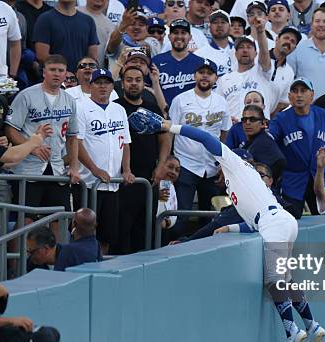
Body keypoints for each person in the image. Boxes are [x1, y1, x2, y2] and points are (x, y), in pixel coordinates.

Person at [128, 107, 325, 342]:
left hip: (274, 223)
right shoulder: (239, 186)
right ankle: (312, 326)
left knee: (273, 282)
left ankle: (292, 331)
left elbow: (204, 138)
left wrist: (169, 126)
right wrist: (229, 229)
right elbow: (252, 224)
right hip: (279, 222)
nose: (218, 165)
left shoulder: (236, 165)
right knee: (286, 280)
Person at [5, 54, 80, 217]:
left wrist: (74, 167)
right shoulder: (26, 95)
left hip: (57, 170)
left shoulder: (70, 100)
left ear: (66, 73)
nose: (56, 74)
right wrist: (32, 148)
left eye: (61, 70)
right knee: (25, 220)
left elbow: (73, 137)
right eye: (52, 70)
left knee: (59, 219)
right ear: (44, 72)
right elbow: (11, 129)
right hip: (28, 169)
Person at [114, 66, 172, 254]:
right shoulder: (115, 107)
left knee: (145, 229)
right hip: (122, 179)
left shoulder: (151, 107)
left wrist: (162, 165)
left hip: (149, 178)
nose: (133, 83)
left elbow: (164, 137)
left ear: (143, 83)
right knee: (121, 230)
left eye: (137, 79)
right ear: (122, 83)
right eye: (129, 80)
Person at [169, 58, 230, 236]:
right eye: (201, 72)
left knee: (211, 217)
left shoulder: (221, 101)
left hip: (212, 167)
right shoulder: (180, 100)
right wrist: (167, 159)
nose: (205, 76)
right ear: (195, 75)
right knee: (181, 215)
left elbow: (224, 133)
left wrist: (223, 163)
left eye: (209, 73)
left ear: (215, 78)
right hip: (186, 164)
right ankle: (174, 252)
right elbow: (170, 132)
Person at [75, 68, 133, 255]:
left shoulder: (119, 109)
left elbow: (125, 142)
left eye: (107, 82)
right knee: (83, 233)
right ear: (90, 85)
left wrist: (127, 169)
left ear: (112, 86)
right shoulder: (81, 108)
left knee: (107, 235)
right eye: (98, 82)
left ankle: (101, 272)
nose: (103, 86)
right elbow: (77, 143)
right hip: (88, 183)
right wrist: (94, 169)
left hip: (112, 185)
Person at [270, 77, 325, 217]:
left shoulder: (323, 114)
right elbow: (268, 139)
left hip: (319, 176)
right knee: (292, 219)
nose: (299, 95)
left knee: (324, 219)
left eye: (303, 91)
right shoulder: (280, 119)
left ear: (312, 95)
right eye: (295, 91)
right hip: (292, 180)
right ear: (289, 97)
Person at [216, 20, 278, 120]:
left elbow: (264, 52)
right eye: (241, 47)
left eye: (249, 47)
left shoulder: (262, 72)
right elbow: (218, 107)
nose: (245, 50)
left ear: (256, 53)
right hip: (233, 130)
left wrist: (261, 31)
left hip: (259, 129)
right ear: (235, 54)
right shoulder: (224, 79)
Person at [33, 0, 99, 72]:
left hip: (80, 79)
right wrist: (63, 73)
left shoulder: (88, 21)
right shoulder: (45, 19)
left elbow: (92, 56)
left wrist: (81, 74)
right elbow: (42, 55)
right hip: (55, 79)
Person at [152, 19, 205, 106]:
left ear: (190, 37)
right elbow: (146, 88)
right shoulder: (156, 61)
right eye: (175, 33)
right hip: (163, 115)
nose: (179, 36)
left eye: (183, 33)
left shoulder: (201, 63)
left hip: (192, 115)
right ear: (169, 37)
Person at [26, 217, 102, 270]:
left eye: (31, 252)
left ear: (45, 249)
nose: (29, 255)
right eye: (28, 251)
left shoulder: (71, 256)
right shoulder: (32, 264)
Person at [194, 10, 234, 77]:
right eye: (215, 22)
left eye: (223, 22)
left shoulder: (239, 50)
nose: (219, 25)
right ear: (209, 27)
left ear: (230, 27)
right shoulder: (199, 55)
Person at [269, 26, 300, 112]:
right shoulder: (259, 58)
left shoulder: (289, 73)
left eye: (293, 41)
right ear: (277, 39)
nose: (288, 42)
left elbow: (283, 103)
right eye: (286, 38)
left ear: (294, 48)